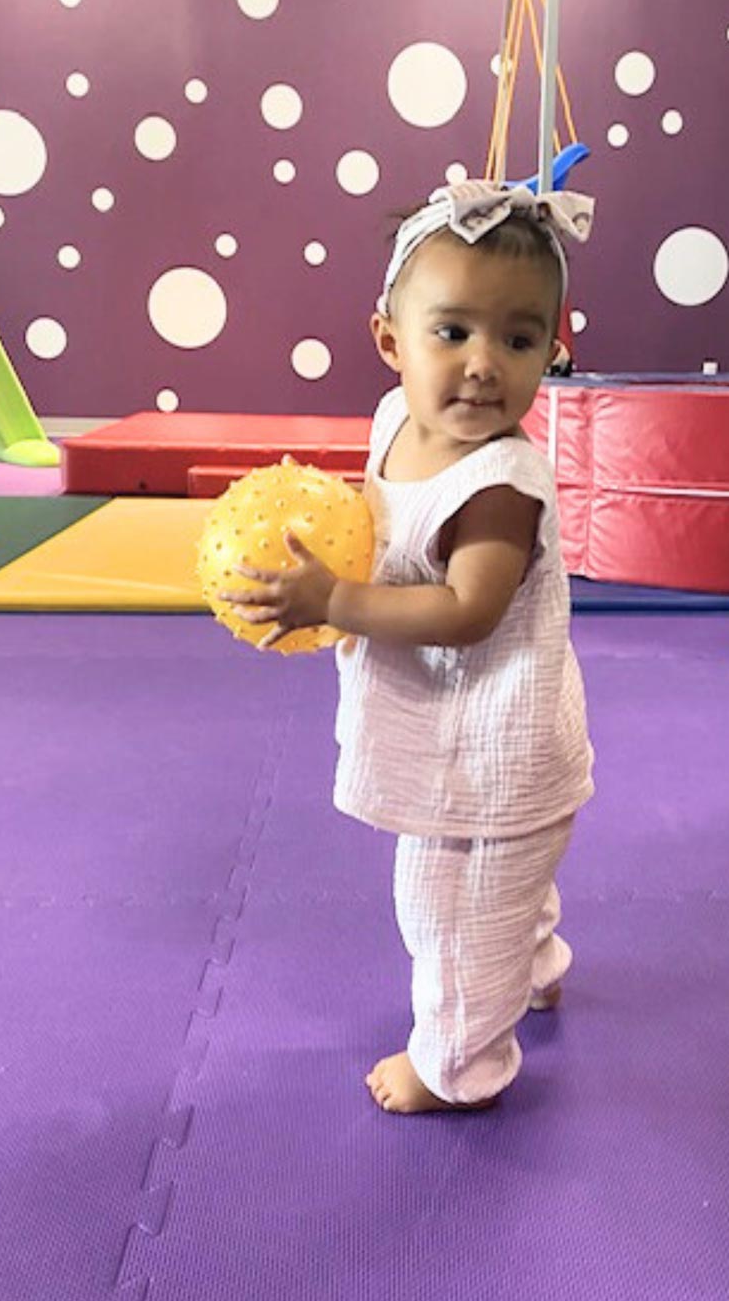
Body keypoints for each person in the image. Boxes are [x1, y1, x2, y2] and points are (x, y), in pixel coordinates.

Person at [222, 179, 595, 1113]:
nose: (482, 366)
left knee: (447, 912)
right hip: (453, 726)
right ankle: (537, 962)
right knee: (501, 893)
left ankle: (457, 1070)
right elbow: (379, 525)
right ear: (390, 340)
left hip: (495, 745)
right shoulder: (395, 422)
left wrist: (339, 601)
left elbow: (470, 609)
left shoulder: (501, 481)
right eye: (453, 332)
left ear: (554, 348)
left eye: (518, 340)